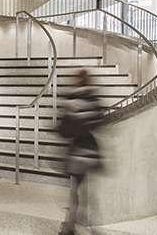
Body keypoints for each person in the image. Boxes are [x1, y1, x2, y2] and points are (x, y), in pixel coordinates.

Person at [59, 69, 104, 235]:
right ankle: (94, 228)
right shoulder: (94, 99)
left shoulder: (72, 100)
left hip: (77, 152)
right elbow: (99, 121)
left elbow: (64, 129)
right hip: (91, 151)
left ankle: (69, 227)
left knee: (74, 192)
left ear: (77, 80)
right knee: (89, 193)